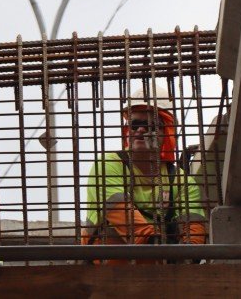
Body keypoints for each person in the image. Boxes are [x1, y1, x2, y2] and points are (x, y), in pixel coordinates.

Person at [82, 84, 206, 263]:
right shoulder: (108, 165)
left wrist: (188, 259)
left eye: (151, 125)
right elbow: (123, 215)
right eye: (135, 125)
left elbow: (193, 229)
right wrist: (158, 246)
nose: (140, 130)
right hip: (105, 274)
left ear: (166, 132)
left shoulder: (180, 181)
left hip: (160, 276)